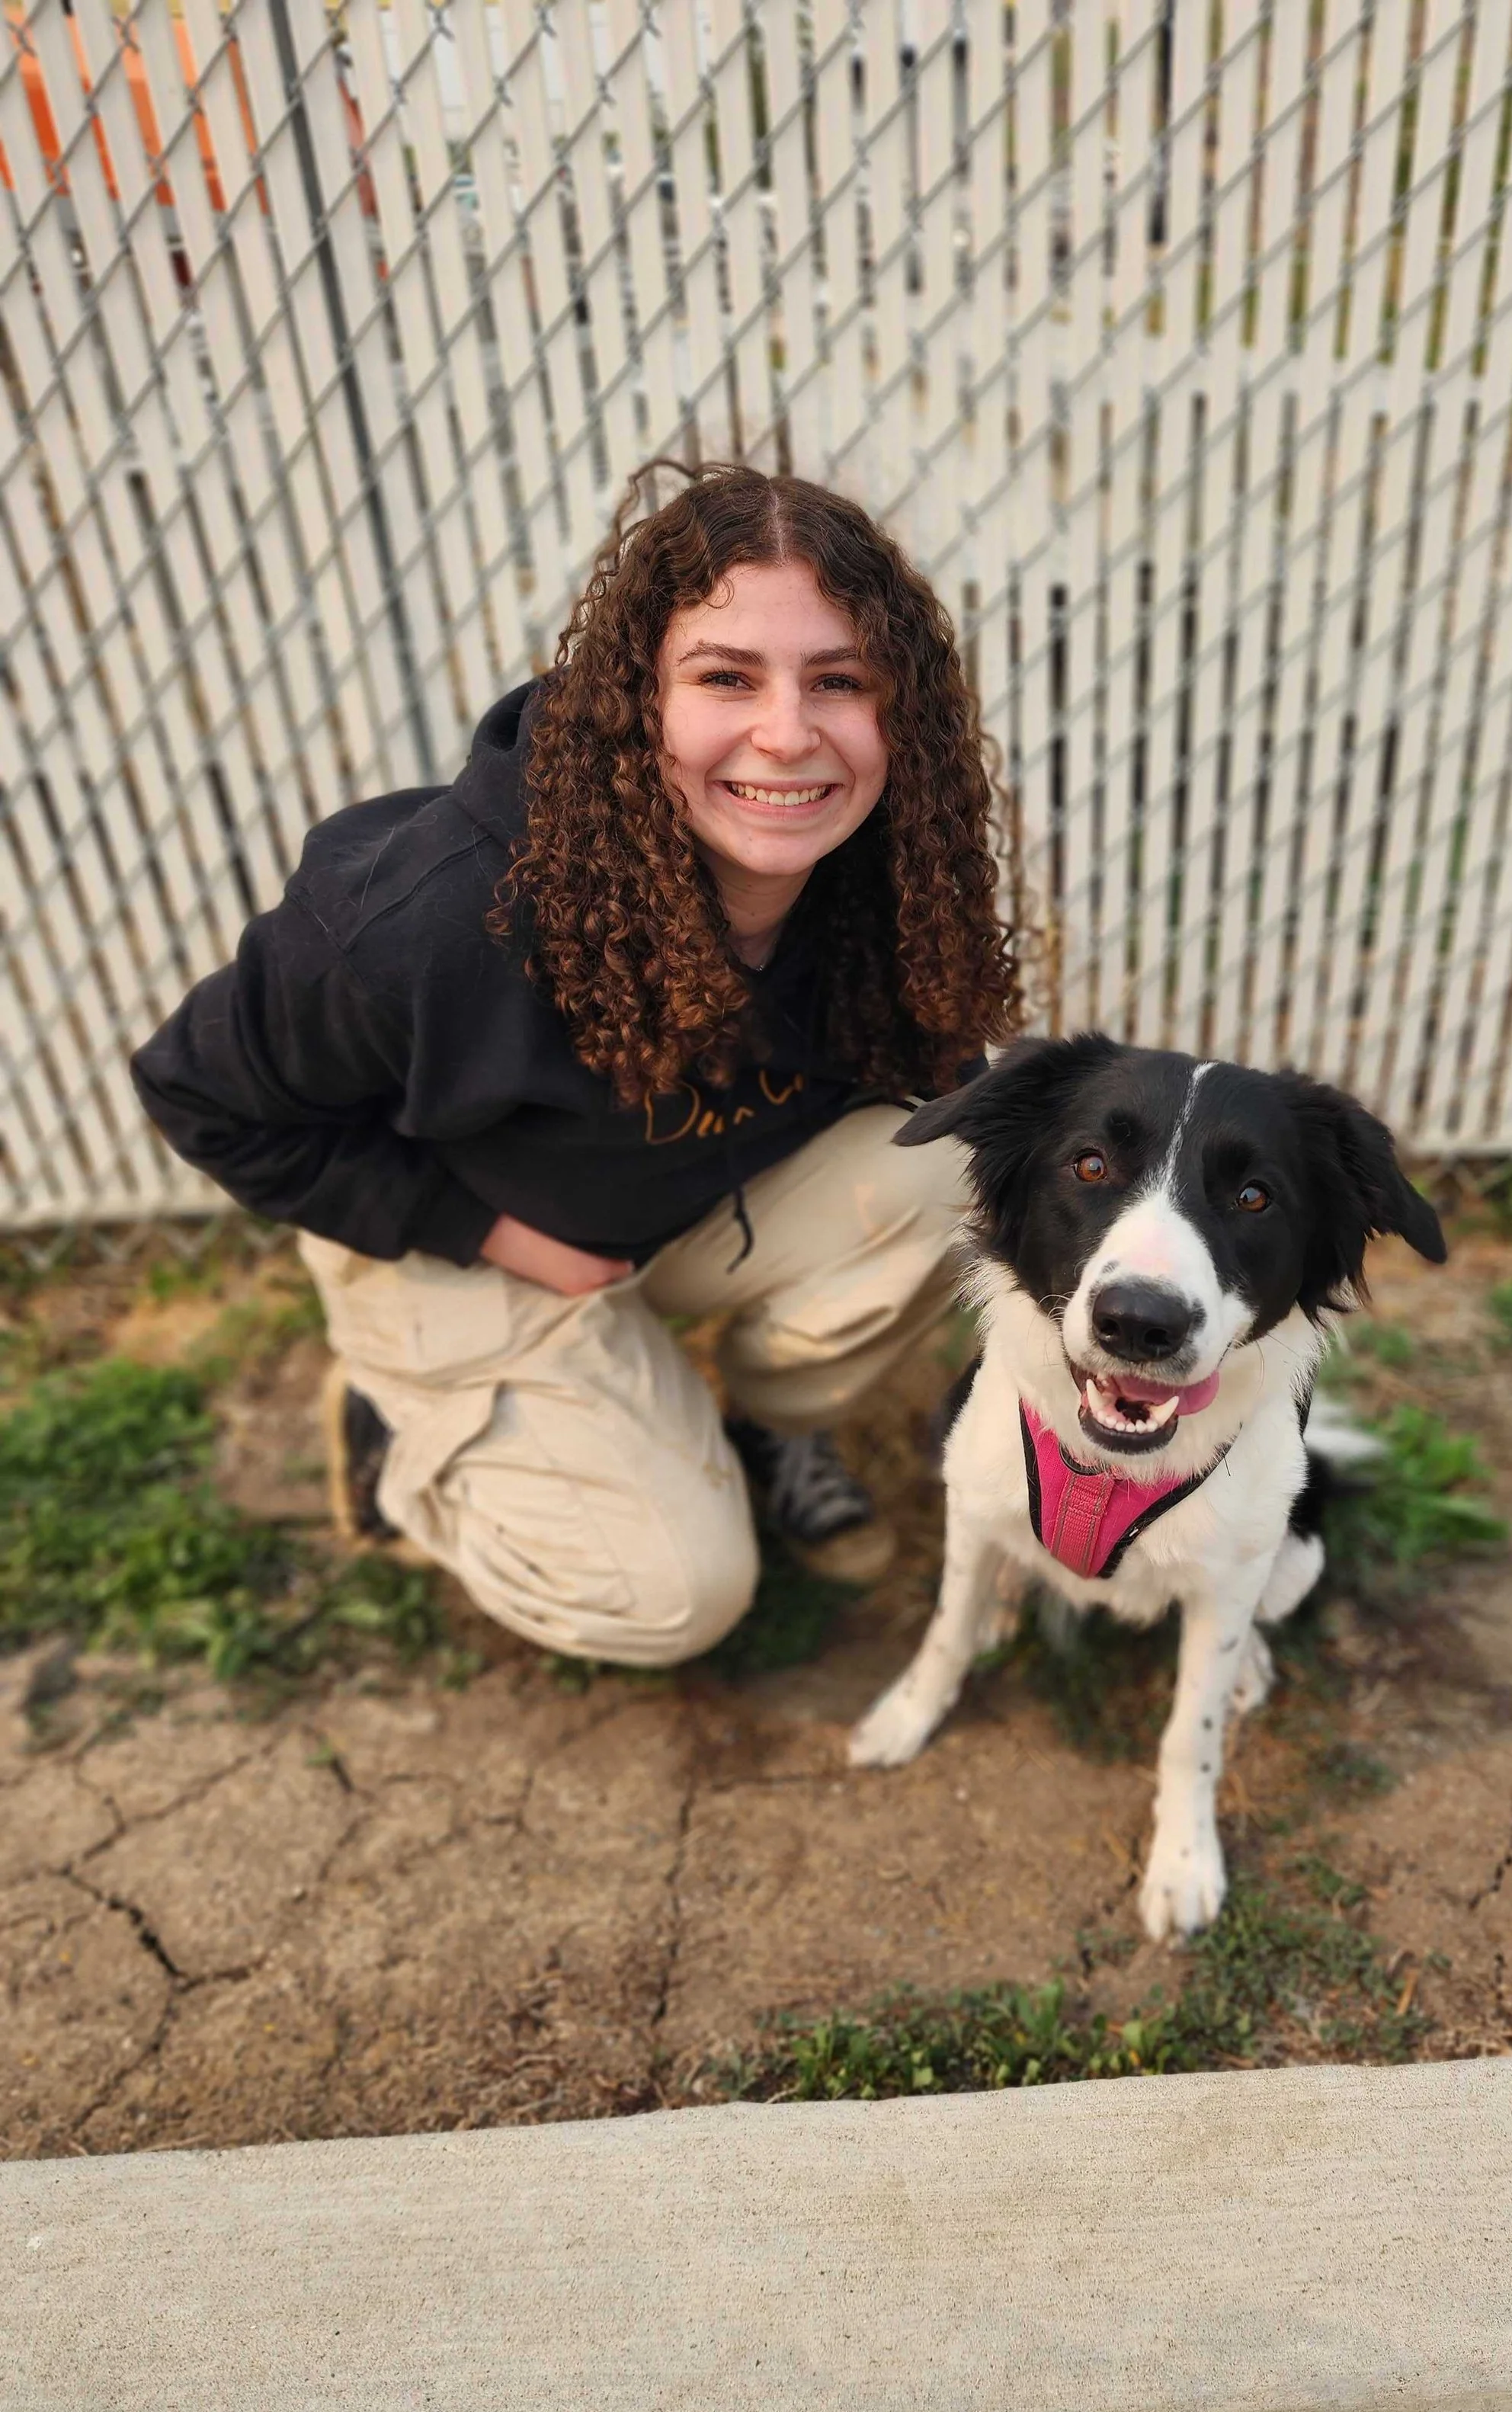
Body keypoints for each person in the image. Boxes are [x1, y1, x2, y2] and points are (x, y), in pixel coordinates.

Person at [130, 463, 1020, 1665]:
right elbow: (200, 1093)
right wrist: (489, 1235)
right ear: (635, 700)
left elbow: (942, 1074)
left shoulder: (878, 866)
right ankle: (405, 1434)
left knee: (970, 1157)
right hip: (478, 1236)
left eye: (839, 681)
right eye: (724, 677)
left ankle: (765, 1426)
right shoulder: (432, 923)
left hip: (672, 1212)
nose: (788, 733)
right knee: (674, 1598)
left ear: (897, 710)